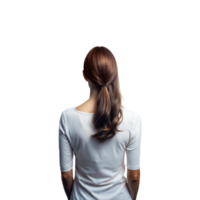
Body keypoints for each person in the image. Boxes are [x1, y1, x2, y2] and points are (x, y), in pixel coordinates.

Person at [57, 45, 143, 200]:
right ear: (114, 74)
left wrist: (73, 197)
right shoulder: (133, 119)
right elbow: (134, 176)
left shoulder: (66, 117)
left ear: (84, 75)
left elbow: (66, 175)